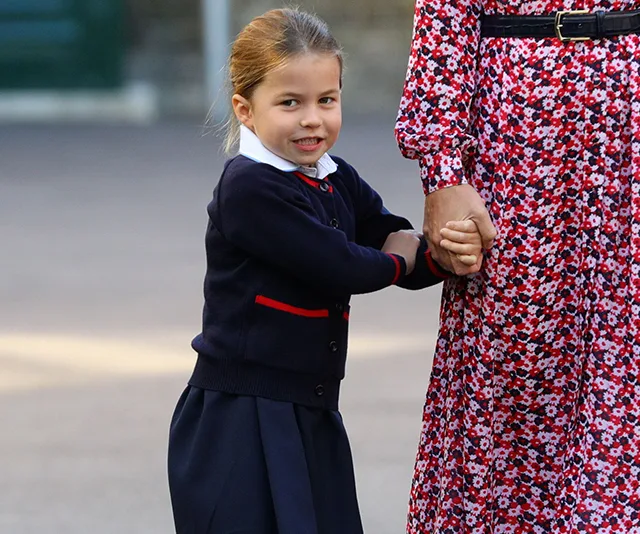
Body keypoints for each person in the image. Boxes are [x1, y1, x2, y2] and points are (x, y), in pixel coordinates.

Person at [167, 8, 482, 534]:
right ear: (245, 109)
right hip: (240, 418)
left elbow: (388, 230)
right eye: (290, 103)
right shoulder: (248, 189)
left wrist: (445, 253)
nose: (312, 119)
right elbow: (341, 264)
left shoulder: (335, 177)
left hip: (310, 413)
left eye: (326, 101)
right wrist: (403, 254)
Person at [396, 0, 640, 532]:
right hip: (520, 135)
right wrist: (442, 170)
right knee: (515, 370)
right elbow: (446, 11)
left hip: (631, 119)